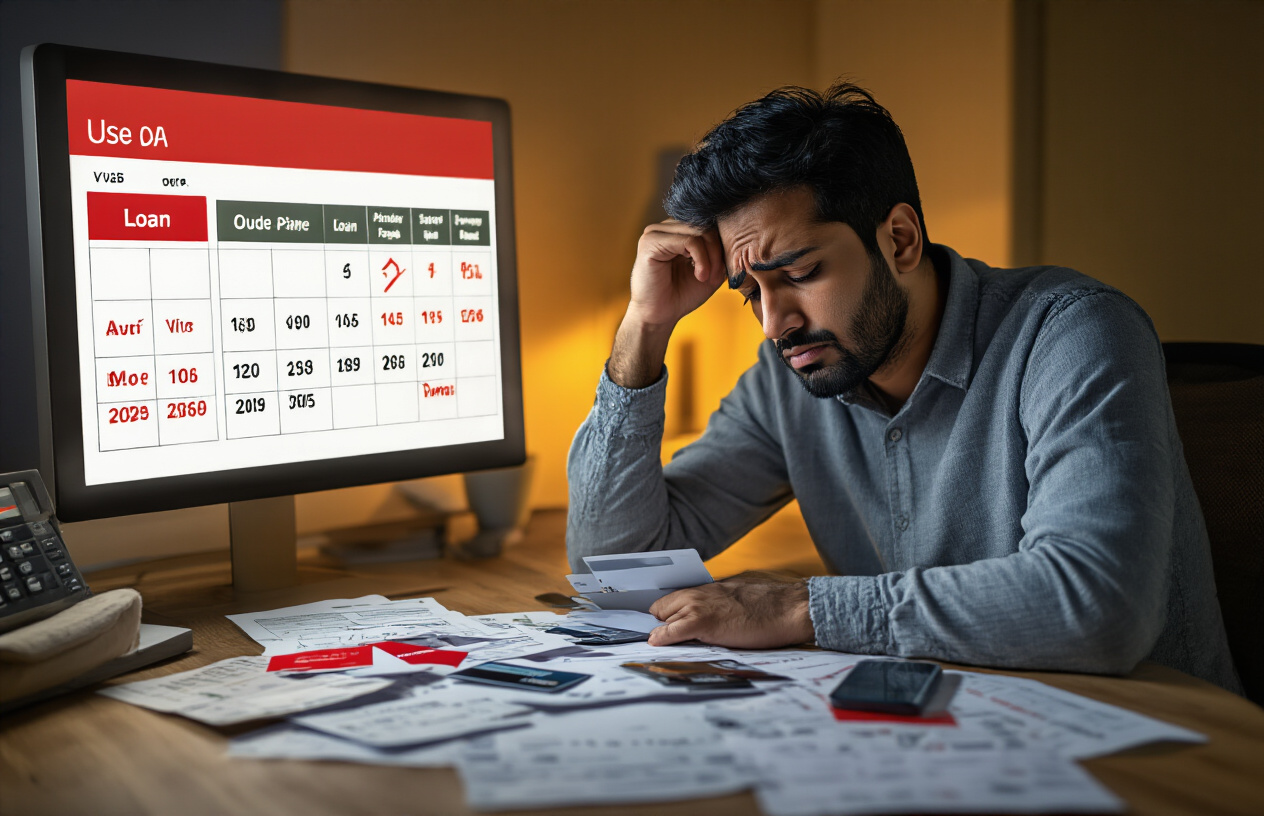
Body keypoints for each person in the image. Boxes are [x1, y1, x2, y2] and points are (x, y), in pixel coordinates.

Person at [565, 83, 1241, 693]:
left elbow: (1099, 607)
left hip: (1160, 750)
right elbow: (612, 565)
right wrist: (644, 326)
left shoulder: (1075, 332)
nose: (776, 324)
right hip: (954, 736)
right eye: (751, 293)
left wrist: (803, 607)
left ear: (900, 238)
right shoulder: (788, 380)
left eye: (798, 273)